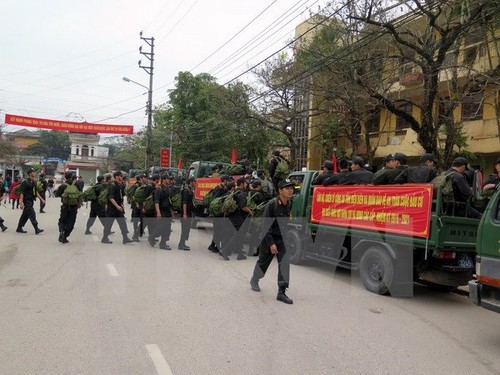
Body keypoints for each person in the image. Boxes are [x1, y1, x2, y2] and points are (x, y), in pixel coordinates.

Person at [250, 178, 295, 304]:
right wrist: (271, 243)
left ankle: (281, 292)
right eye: (287, 188)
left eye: (291, 188)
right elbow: (266, 225)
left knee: (285, 263)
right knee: (263, 262)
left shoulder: (289, 204)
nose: (290, 191)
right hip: (269, 238)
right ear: (280, 190)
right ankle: (255, 279)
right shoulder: (272, 204)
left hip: (282, 239)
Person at [219, 177, 252, 260]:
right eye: (245, 183)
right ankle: (224, 251)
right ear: (242, 184)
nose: (246, 185)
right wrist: (250, 211)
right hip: (238, 217)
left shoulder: (235, 192)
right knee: (237, 235)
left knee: (235, 235)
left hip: (232, 216)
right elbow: (243, 207)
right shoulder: (241, 193)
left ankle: (240, 254)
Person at [101, 171, 133, 244]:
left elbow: (121, 196)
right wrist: (117, 206)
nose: (122, 177)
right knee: (108, 224)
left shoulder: (119, 185)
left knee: (123, 223)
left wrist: (120, 205)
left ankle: (125, 238)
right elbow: (111, 198)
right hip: (112, 208)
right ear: (117, 177)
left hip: (118, 208)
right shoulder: (112, 185)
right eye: (121, 176)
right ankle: (104, 238)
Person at [208, 175, 233, 253]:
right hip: (218, 213)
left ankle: (213, 245)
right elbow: (216, 201)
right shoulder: (219, 189)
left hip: (219, 213)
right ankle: (213, 246)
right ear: (225, 180)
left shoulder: (223, 188)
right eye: (228, 180)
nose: (229, 182)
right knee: (218, 230)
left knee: (219, 230)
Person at [16, 168, 44, 235]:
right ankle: (36, 229)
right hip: (26, 201)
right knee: (32, 214)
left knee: (25, 215)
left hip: (31, 200)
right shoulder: (25, 182)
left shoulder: (34, 182)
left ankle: (19, 228)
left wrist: (41, 199)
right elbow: (21, 193)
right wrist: (21, 202)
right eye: (33, 172)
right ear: (30, 174)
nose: (35, 173)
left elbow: (35, 192)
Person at [54, 171, 80, 244]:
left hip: (65, 206)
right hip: (74, 207)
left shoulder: (63, 185)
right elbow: (80, 194)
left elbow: (57, 194)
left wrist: (64, 196)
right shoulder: (77, 184)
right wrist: (79, 203)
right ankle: (65, 236)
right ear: (72, 177)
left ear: (65, 177)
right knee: (71, 222)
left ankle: (61, 231)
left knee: (62, 220)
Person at [153, 174, 173, 250]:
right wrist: (158, 212)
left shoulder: (168, 189)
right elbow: (156, 202)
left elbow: (169, 201)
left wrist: (171, 211)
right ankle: (151, 237)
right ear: (164, 179)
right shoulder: (159, 189)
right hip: (161, 211)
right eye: (168, 179)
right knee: (160, 228)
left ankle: (163, 244)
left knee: (167, 228)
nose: (170, 180)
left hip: (167, 211)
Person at [179, 177, 196, 250]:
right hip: (186, 213)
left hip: (189, 213)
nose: (195, 183)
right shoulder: (186, 190)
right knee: (185, 229)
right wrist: (184, 214)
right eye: (194, 181)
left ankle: (183, 243)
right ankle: (181, 244)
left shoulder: (190, 190)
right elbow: (184, 203)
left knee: (187, 229)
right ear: (191, 182)